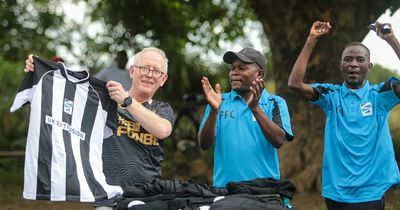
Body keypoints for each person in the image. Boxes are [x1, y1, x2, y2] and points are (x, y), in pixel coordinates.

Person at [24, 47, 175, 209]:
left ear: (163, 79)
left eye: (156, 71)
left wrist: (128, 101)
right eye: (144, 68)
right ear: (132, 72)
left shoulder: (162, 109)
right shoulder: (105, 104)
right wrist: (39, 72)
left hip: (149, 197)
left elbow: (162, 130)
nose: (149, 74)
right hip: (108, 197)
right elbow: (60, 108)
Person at [288, 21, 400, 210]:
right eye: (348, 59)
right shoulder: (331, 96)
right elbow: (295, 84)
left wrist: (392, 40)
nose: (354, 64)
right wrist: (311, 39)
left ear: (369, 66)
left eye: (360, 60)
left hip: (370, 192)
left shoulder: (379, 96)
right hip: (336, 191)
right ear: (340, 65)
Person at [198, 48, 294, 189]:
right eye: (232, 68)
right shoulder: (219, 102)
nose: (234, 72)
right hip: (225, 190)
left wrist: (255, 108)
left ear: (259, 74)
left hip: (264, 190)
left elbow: (278, 140)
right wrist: (214, 111)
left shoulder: (275, 102)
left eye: (242, 68)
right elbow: (204, 144)